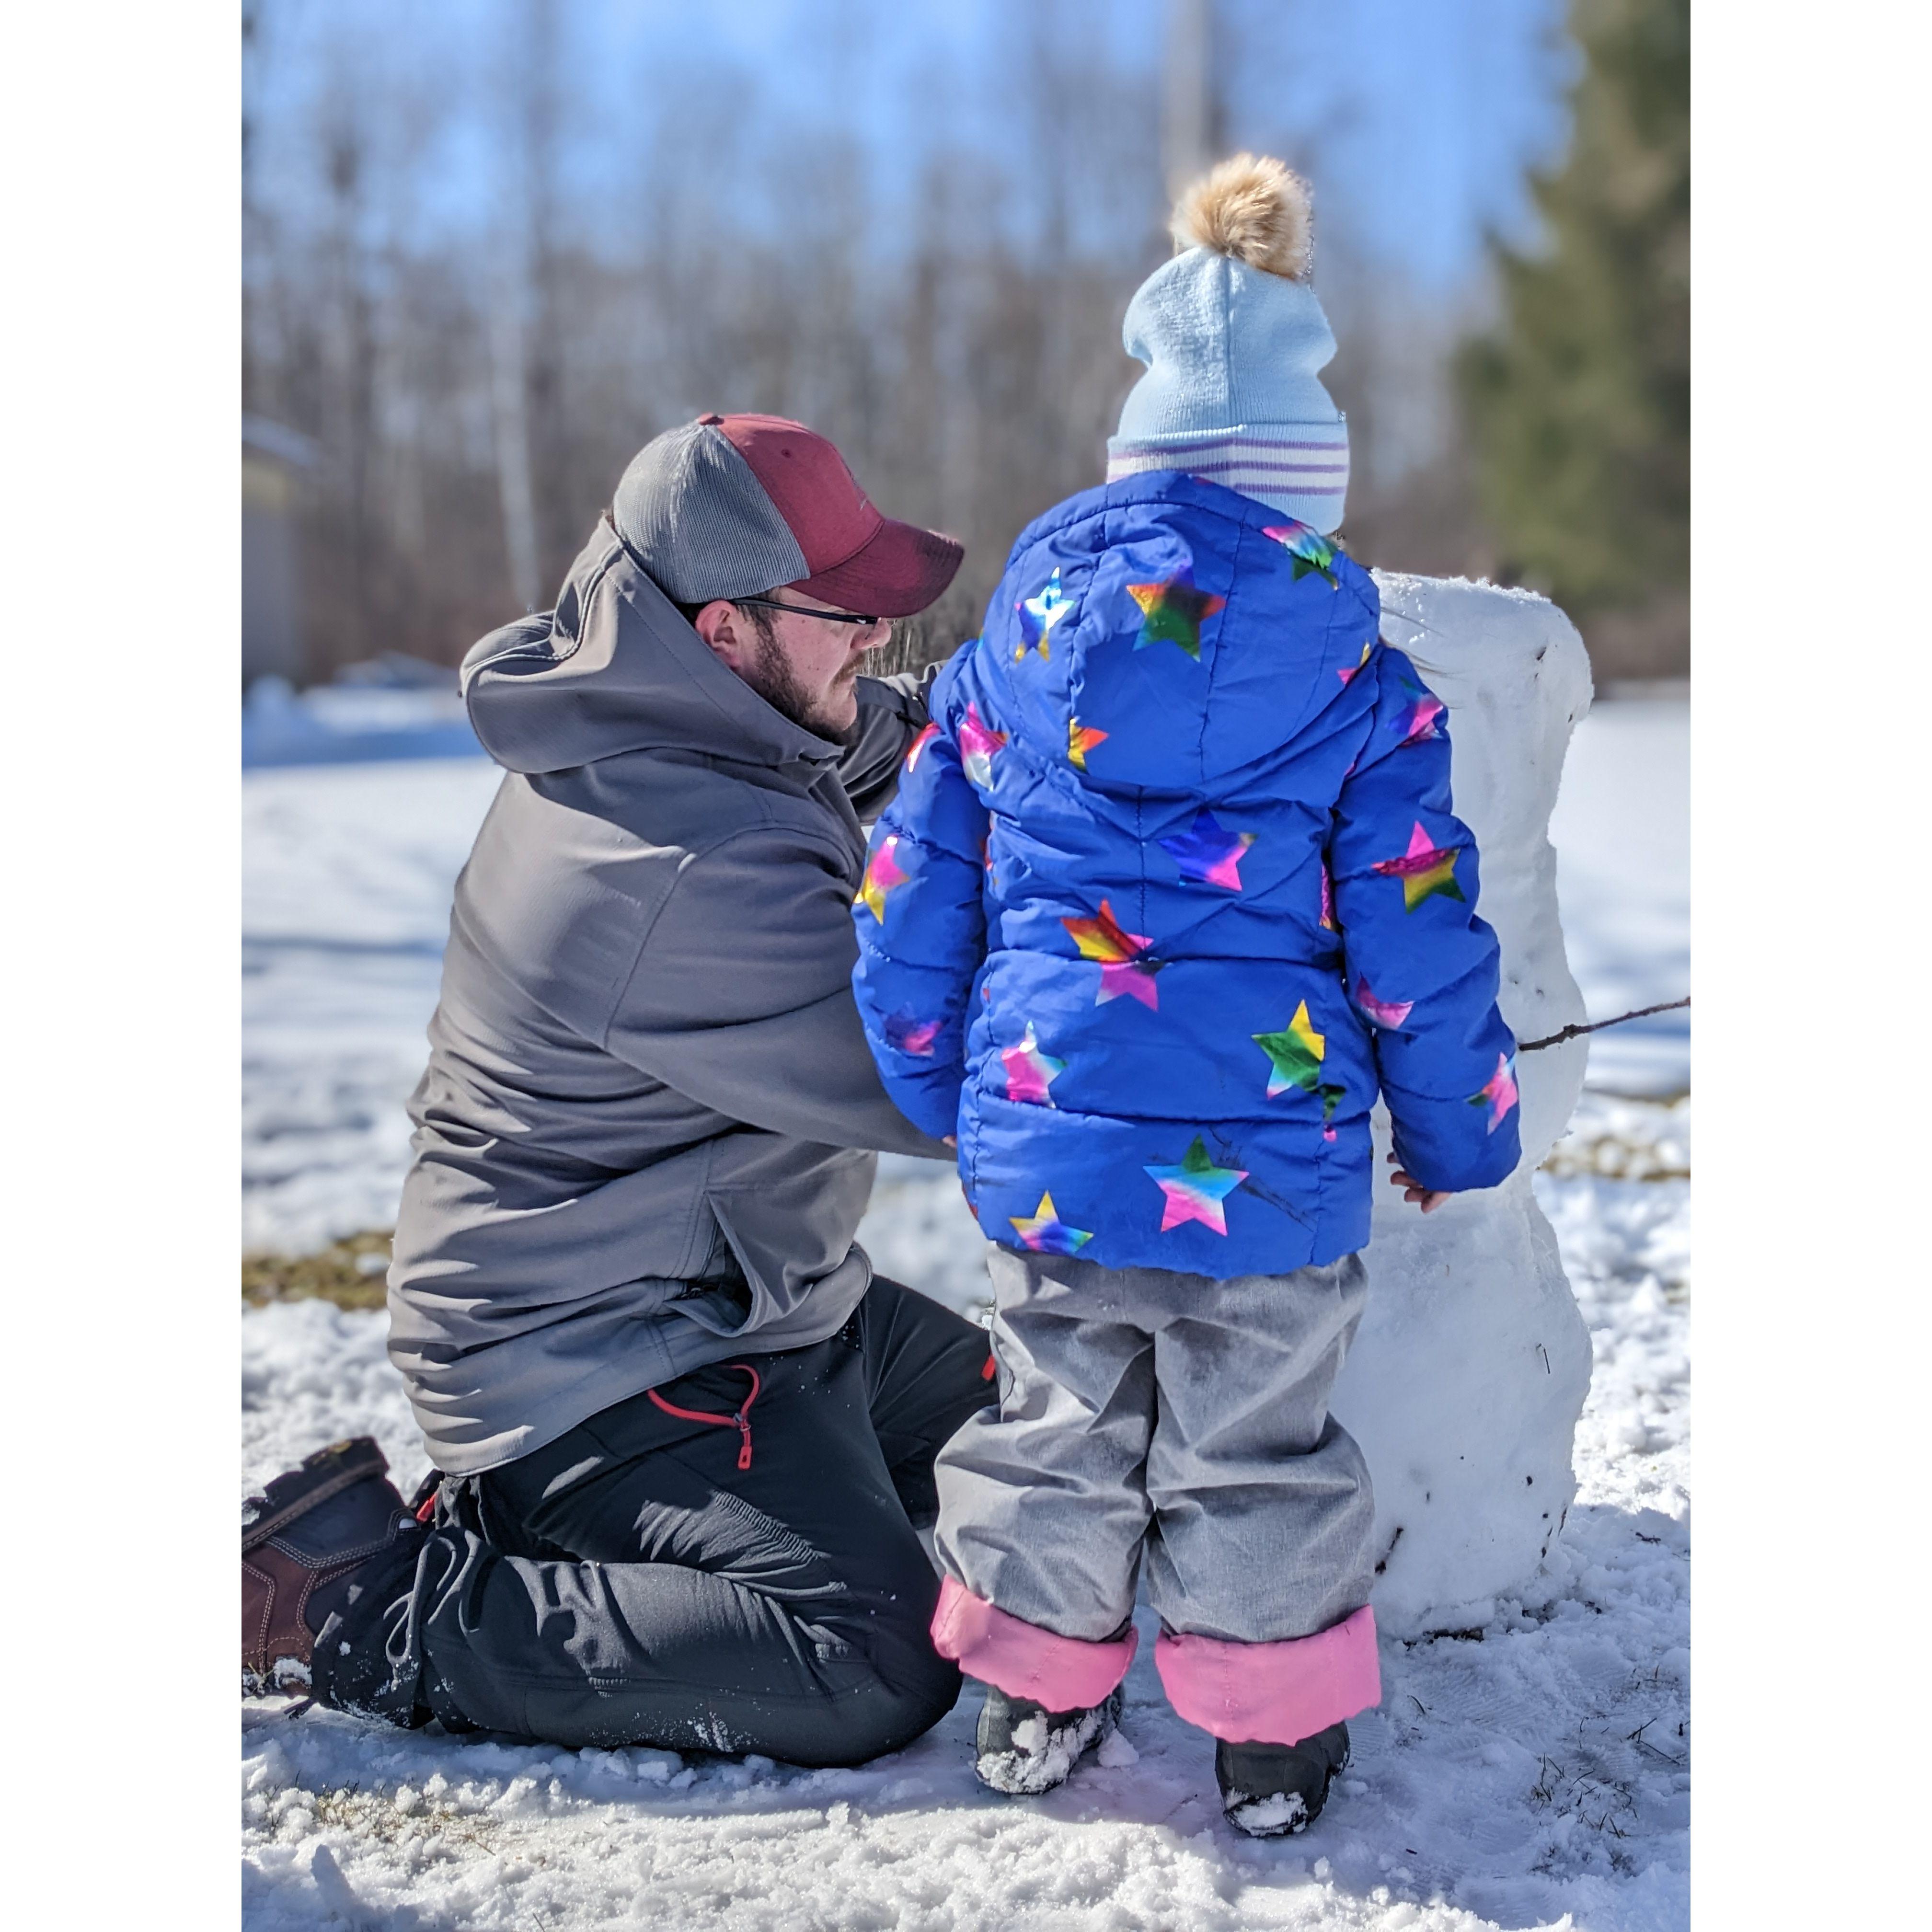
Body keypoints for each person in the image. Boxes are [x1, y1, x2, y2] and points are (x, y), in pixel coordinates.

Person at [849, 156, 1522, 1833]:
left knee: (1057, 1413)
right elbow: (1423, 936)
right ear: (1312, 493)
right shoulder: (1369, 686)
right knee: (1257, 1438)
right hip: (1270, 1164)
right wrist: (1462, 1130)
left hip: (1055, 1155)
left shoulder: (1009, 664)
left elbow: (912, 892)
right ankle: (1271, 1726)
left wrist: (944, 1081)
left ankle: (1029, 1685)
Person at [243, 413, 1004, 1769]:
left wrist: (1042, 698)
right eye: (846, 611)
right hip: (594, 1350)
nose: (875, 638)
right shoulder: (676, 865)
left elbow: (867, 734)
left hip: (744, 1296)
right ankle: (365, 1607)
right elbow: (959, 1079)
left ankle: (563, 1529)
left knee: (1048, 1431)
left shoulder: (678, 704)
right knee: (869, 1656)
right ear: (721, 630)